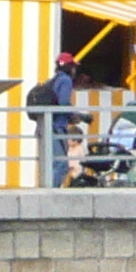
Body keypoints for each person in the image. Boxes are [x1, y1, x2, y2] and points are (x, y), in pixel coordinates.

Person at [31, 53, 79, 186]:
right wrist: (76, 115)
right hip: (56, 128)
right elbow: (63, 104)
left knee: (51, 164)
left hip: (44, 126)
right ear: (69, 67)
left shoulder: (51, 81)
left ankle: (47, 190)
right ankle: (50, 194)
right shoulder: (66, 81)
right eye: (73, 67)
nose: (75, 70)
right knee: (61, 164)